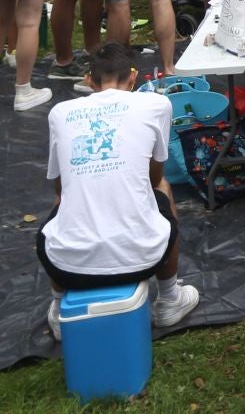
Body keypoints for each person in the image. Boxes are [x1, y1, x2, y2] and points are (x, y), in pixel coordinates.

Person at [38, 43, 201, 336]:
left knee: (63, 197)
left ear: (89, 80)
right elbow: (154, 178)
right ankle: (168, 298)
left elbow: (60, 187)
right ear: (134, 77)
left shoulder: (60, 112)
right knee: (163, 186)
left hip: (66, 265)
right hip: (145, 258)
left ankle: (60, 308)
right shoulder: (156, 104)